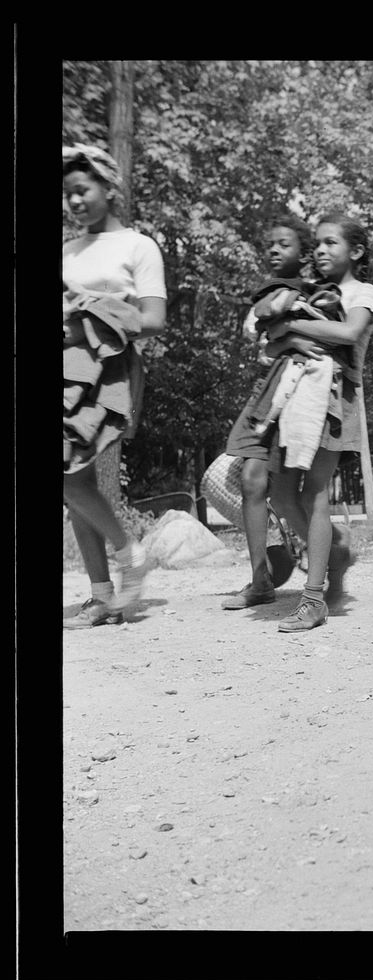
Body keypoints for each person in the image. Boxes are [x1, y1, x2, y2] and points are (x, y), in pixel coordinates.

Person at [262, 212, 373, 631]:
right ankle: (335, 549)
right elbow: (269, 339)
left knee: (314, 492)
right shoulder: (311, 290)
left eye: (332, 242)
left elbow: (349, 334)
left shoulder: (362, 291)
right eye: (317, 243)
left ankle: (313, 599)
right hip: (294, 397)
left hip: (335, 399)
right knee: (279, 494)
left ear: (357, 251)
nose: (321, 250)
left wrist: (293, 323)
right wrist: (288, 332)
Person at [63, 143, 167, 628]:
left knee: (66, 477)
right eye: (67, 194)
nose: (74, 202)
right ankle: (102, 595)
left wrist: (90, 311)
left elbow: (153, 319)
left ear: (108, 187)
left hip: (108, 371)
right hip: (63, 370)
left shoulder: (138, 246)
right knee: (73, 482)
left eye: (82, 190)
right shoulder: (67, 250)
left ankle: (130, 555)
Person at [221, 216, 315, 610]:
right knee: (251, 479)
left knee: (288, 489)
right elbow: (260, 322)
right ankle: (261, 578)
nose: (275, 250)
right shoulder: (275, 292)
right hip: (269, 392)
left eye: (285, 244)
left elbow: (273, 325)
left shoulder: (310, 291)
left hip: (297, 393)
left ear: (305, 255)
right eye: (271, 244)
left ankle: (329, 553)